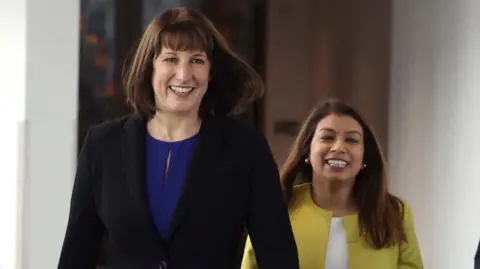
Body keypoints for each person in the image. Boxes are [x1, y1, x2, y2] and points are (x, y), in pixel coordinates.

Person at [58, 7, 298, 269]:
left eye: (197, 60)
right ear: (149, 66)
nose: (184, 75)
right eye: (171, 59)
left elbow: (278, 255)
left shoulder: (246, 149)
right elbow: (76, 256)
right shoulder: (102, 146)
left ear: (210, 71)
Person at [241, 98, 423, 269]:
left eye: (351, 140)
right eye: (327, 137)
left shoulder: (395, 213)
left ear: (364, 157)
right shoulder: (278, 207)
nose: (338, 148)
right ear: (307, 151)